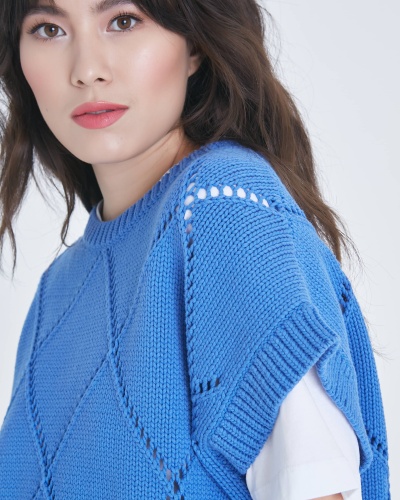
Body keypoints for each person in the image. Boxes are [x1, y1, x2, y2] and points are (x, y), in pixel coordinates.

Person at [0, 0, 390, 499]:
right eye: (49, 29)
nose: (87, 69)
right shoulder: (55, 293)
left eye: (123, 21)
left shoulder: (225, 210)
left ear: (195, 47)